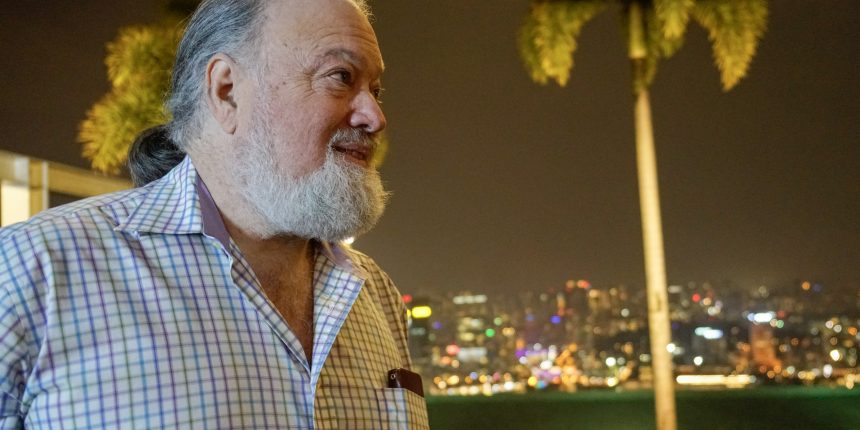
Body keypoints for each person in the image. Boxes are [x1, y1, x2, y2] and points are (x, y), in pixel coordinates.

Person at [0, 0, 428, 428]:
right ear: (227, 90)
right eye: (341, 77)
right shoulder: (33, 271)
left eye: (376, 91)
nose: (375, 117)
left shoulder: (377, 294)